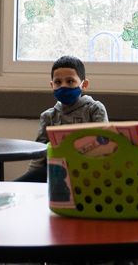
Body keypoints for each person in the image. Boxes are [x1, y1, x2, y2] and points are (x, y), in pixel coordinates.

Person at [18, 54, 108, 182]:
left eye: (70, 81)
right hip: (57, 170)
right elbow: (40, 152)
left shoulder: (94, 109)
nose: (63, 86)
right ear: (52, 85)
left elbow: (105, 144)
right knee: (21, 183)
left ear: (84, 84)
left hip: (90, 169)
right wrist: (30, 178)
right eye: (58, 82)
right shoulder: (49, 116)